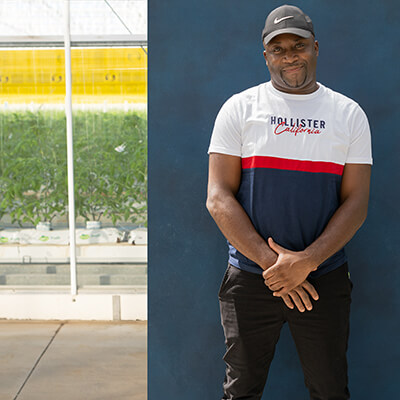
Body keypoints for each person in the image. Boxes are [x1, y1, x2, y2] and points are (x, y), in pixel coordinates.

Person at [206, 4, 372, 400]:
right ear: (266, 56)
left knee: (330, 390)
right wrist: (275, 268)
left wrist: (308, 263)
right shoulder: (239, 109)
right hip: (250, 277)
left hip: (323, 279)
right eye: (277, 49)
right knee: (241, 390)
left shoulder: (348, 114)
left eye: (297, 45)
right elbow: (217, 198)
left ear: (315, 47)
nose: (289, 56)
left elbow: (357, 203)